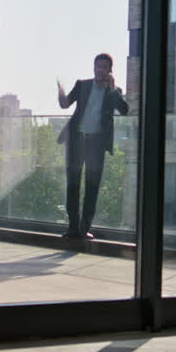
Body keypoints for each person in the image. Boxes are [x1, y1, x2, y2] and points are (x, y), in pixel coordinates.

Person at [57, 53, 129, 239]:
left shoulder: (114, 90)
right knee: (73, 185)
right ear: (94, 67)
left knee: (92, 187)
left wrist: (113, 89)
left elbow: (124, 110)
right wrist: (61, 90)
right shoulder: (82, 85)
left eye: (104, 67)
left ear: (110, 70)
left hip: (96, 145)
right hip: (76, 141)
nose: (100, 70)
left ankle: (83, 229)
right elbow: (65, 104)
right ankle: (73, 228)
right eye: (97, 66)